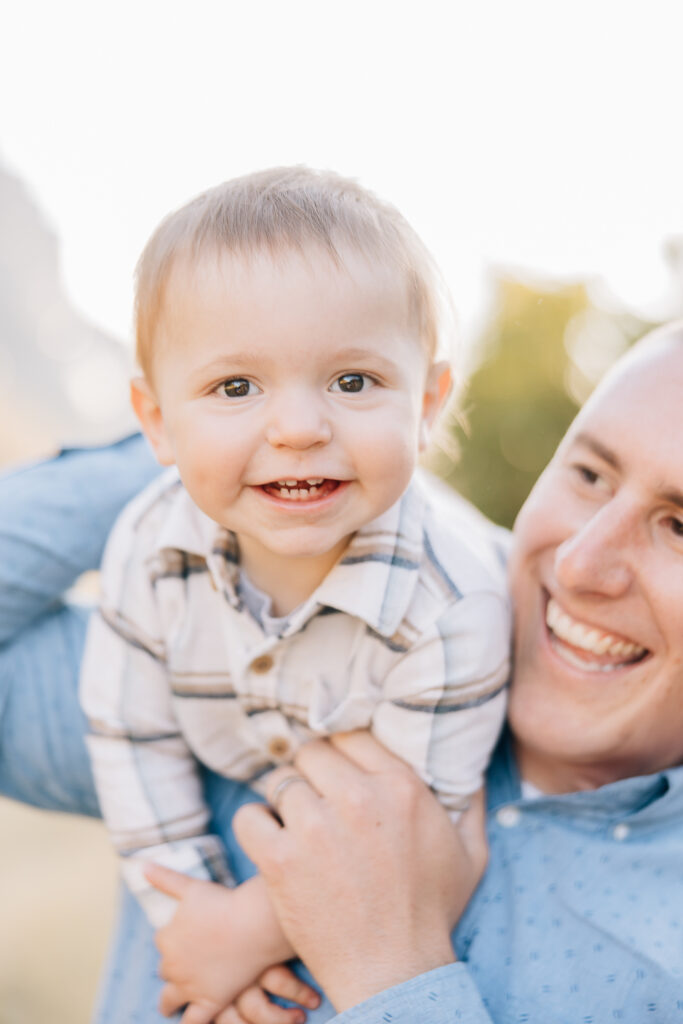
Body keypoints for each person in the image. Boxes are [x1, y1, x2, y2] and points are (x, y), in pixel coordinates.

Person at [1, 321, 681, 1022]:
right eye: (590, 475)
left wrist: (396, 977)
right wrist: (222, 456)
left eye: (679, 527)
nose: (577, 564)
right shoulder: (283, 644)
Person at [79, 167, 508, 1017]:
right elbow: (131, 741)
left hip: (382, 836)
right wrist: (188, 912)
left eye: (352, 382)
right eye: (235, 388)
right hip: (232, 787)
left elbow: (411, 837)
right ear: (157, 421)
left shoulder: (455, 607)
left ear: (425, 404)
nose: (299, 427)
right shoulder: (148, 544)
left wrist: (243, 931)